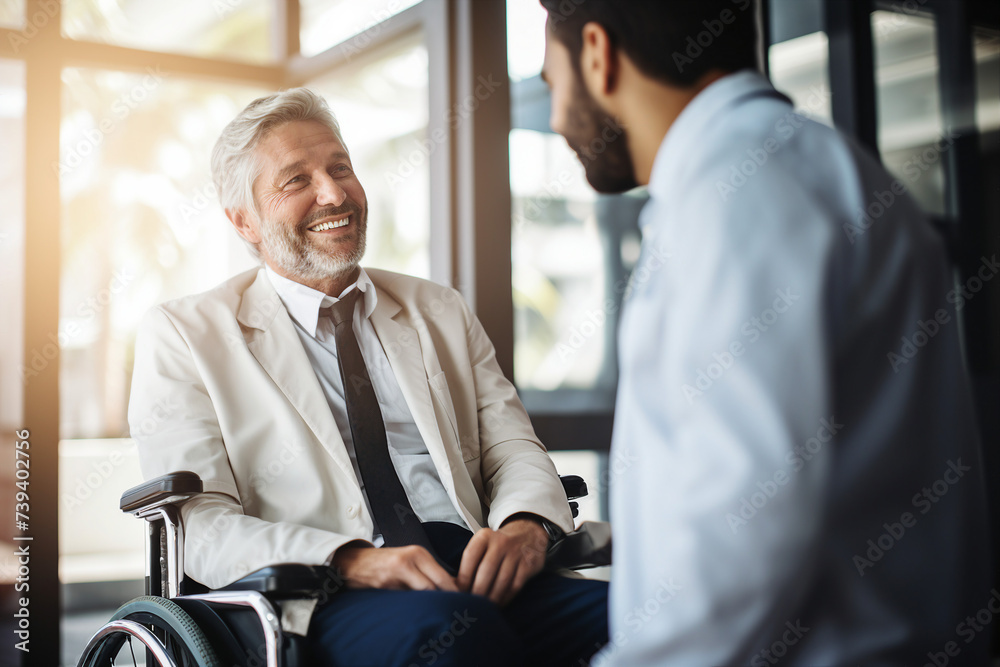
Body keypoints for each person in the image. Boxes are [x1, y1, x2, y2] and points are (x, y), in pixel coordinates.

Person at [538, 0, 990, 665]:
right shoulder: (819, 167)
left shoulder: (734, 195)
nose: (554, 120)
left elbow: (744, 531)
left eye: (552, 83)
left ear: (599, 55)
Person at [127, 88, 608, 666]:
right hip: (315, 593)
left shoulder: (438, 309)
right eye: (296, 181)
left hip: (473, 566)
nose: (333, 194)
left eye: (340, 169)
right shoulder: (185, 334)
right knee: (457, 634)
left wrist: (527, 525)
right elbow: (203, 528)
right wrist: (352, 560)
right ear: (243, 221)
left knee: (639, 613)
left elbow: (511, 446)